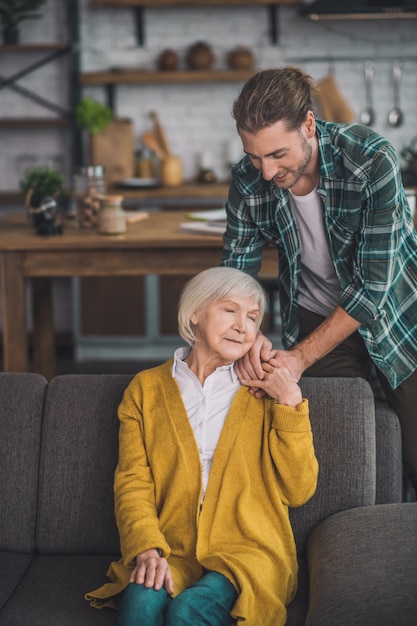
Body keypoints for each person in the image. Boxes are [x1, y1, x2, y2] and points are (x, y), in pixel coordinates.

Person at [221, 65, 417, 497]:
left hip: (399, 319)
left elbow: (372, 290)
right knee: (338, 450)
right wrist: (245, 334)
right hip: (315, 315)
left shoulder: (370, 159)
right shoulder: (248, 179)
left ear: (308, 124)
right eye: (255, 156)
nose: (267, 171)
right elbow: (236, 274)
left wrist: (298, 359)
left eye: (277, 155)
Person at [85, 266, 318, 626]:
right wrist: (147, 548)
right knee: (140, 605)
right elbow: (132, 482)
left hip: (248, 553)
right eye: (230, 310)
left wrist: (290, 402)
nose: (243, 325)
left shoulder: (263, 389)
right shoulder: (144, 391)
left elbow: (299, 489)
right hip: (171, 549)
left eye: (253, 317)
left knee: (188, 611)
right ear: (194, 313)